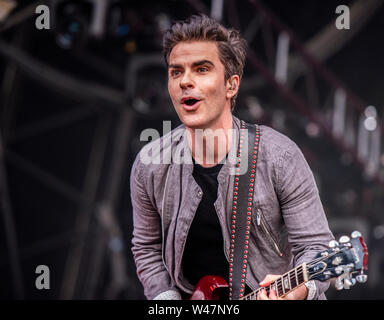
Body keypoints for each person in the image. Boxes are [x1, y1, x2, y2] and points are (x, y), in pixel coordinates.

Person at [130, 14, 334, 300]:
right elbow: (147, 249)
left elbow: (318, 248)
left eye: (201, 69)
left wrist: (299, 290)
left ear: (231, 85)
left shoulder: (280, 157)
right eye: (176, 72)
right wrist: (166, 299)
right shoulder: (149, 165)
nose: (185, 81)